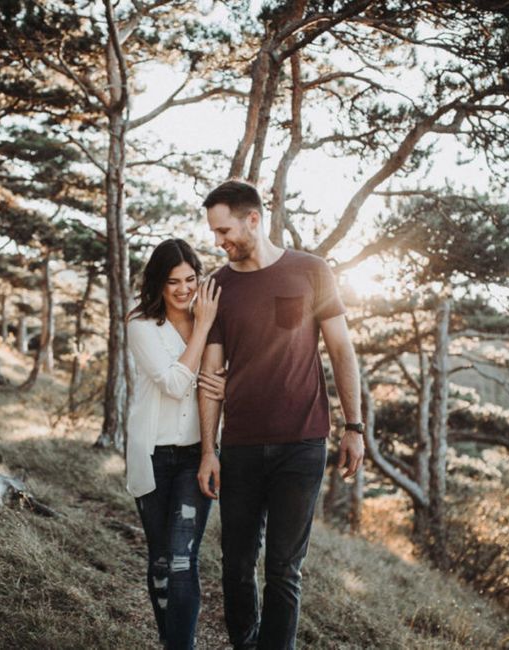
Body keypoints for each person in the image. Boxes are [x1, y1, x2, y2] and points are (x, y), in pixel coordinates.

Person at [196, 180, 365, 650]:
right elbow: (211, 377)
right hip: (241, 446)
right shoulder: (217, 286)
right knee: (235, 564)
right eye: (213, 232)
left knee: (284, 570)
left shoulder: (311, 271)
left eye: (224, 229)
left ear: (254, 218)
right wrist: (209, 450)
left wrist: (354, 427)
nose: (218, 241)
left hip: (302, 443)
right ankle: (245, 642)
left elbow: (341, 349)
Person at [126, 238, 225, 650]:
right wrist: (201, 327)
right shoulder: (140, 325)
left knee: (183, 559)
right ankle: (171, 640)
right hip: (152, 455)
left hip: (194, 457)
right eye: (173, 282)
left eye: (190, 279)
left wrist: (225, 382)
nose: (184, 289)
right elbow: (171, 384)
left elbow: (220, 381)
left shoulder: (217, 325)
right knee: (162, 559)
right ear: (158, 284)